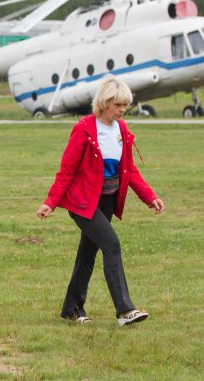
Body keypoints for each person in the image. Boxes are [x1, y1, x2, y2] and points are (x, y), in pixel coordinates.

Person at [36, 78, 164, 326]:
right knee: (112, 244)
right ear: (104, 103)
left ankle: (72, 309)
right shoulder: (84, 129)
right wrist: (50, 202)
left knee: (86, 255)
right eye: (118, 104)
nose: (122, 109)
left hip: (106, 201)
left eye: (125, 105)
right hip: (83, 204)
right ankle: (125, 310)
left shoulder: (122, 129)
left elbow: (130, 171)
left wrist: (150, 197)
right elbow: (67, 170)